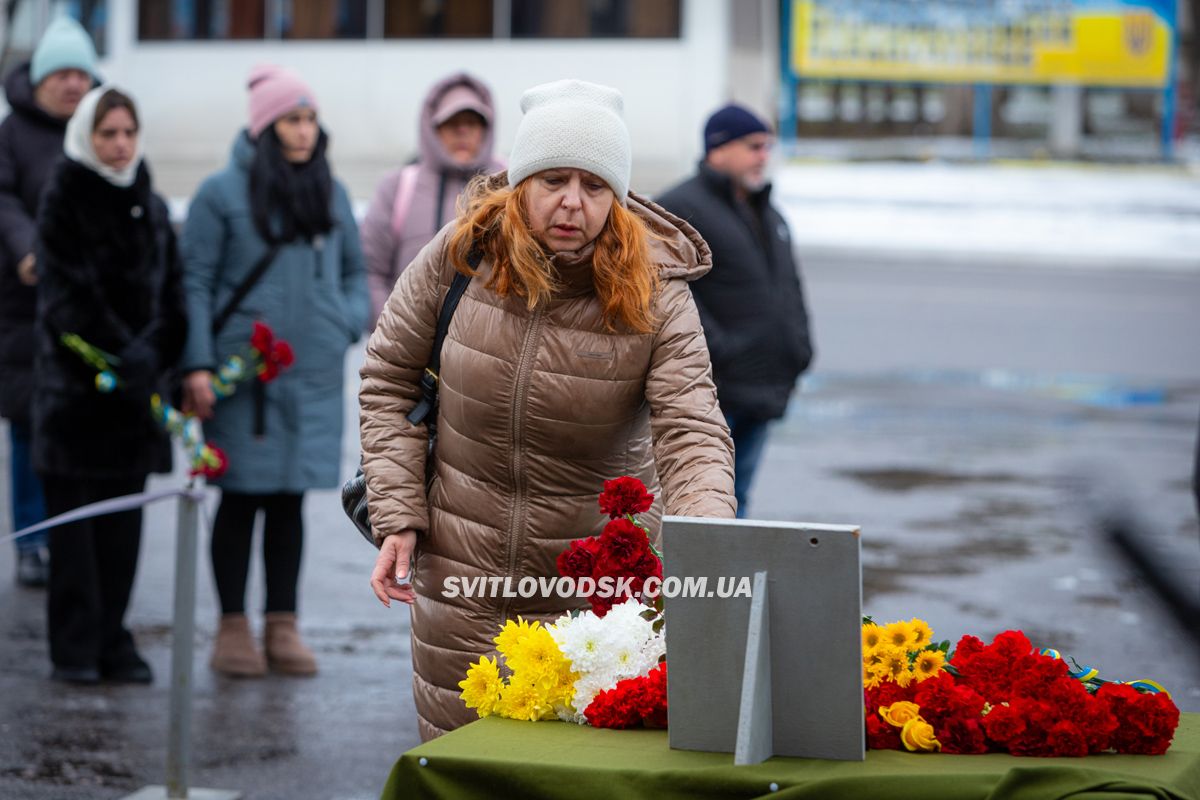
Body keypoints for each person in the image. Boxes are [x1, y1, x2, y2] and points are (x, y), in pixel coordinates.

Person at [360, 79, 736, 740]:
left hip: (597, 596)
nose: (572, 203)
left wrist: (706, 541)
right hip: (462, 578)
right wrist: (398, 513)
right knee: (466, 772)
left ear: (616, 198)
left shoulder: (657, 292)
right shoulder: (461, 255)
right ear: (520, 181)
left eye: (594, 186)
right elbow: (387, 377)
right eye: (554, 179)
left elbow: (692, 427)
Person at [180, 65, 368, 678]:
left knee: (289, 502)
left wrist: (343, 320)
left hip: (310, 375)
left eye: (310, 118)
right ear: (265, 126)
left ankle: (282, 626)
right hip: (244, 379)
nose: (304, 131)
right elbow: (197, 282)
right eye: (292, 119)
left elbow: (350, 273)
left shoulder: (331, 193)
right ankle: (232, 627)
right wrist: (200, 364)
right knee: (240, 500)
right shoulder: (218, 193)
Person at [33, 86, 187, 684]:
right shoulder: (64, 195)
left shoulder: (145, 194)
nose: (120, 145)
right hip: (78, 399)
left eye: (127, 132)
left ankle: (112, 638)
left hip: (135, 399)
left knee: (123, 531)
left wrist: (156, 349)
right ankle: (75, 646)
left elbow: (171, 288)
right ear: (86, 138)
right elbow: (66, 299)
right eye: (107, 134)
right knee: (77, 534)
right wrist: (126, 355)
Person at [655, 103, 813, 518]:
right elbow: (666, 289)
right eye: (754, 146)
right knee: (697, 507)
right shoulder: (678, 207)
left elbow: (789, 290)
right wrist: (720, 349)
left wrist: (800, 348)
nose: (764, 156)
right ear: (717, 149)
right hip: (712, 390)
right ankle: (699, 585)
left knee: (739, 500)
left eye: (767, 147)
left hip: (764, 386)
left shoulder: (768, 213)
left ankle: (726, 582)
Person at [0, 16, 97, 587]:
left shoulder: (98, 129)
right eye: (60, 73)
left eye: (81, 74)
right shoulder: (12, 134)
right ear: (37, 80)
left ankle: (71, 533)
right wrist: (28, 250)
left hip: (88, 305)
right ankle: (32, 539)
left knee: (79, 424)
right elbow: (3, 199)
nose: (71, 85)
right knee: (31, 423)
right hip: (25, 302)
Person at [360, 72, 504, 329]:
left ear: (486, 129)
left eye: (472, 122)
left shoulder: (510, 186)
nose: (462, 132)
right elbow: (371, 271)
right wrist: (393, 331)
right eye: (452, 123)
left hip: (488, 352)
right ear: (432, 128)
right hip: (408, 344)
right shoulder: (397, 187)